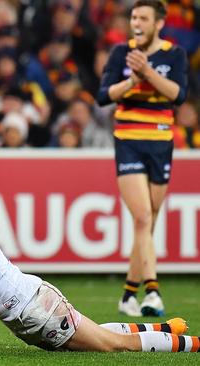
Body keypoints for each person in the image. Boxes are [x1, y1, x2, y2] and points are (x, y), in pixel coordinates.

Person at [0, 167, 196, 353]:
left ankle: (192, 345)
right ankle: (167, 329)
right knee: (96, 335)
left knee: (114, 346)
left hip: (36, 309)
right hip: (25, 319)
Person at [96, 0, 188, 317]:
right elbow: (103, 94)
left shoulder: (173, 55)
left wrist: (147, 72)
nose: (137, 22)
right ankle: (153, 292)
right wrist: (132, 81)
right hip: (129, 141)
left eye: (143, 18)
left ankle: (128, 295)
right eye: (134, 17)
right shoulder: (121, 53)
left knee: (147, 222)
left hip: (162, 141)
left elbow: (179, 94)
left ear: (158, 23)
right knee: (143, 219)